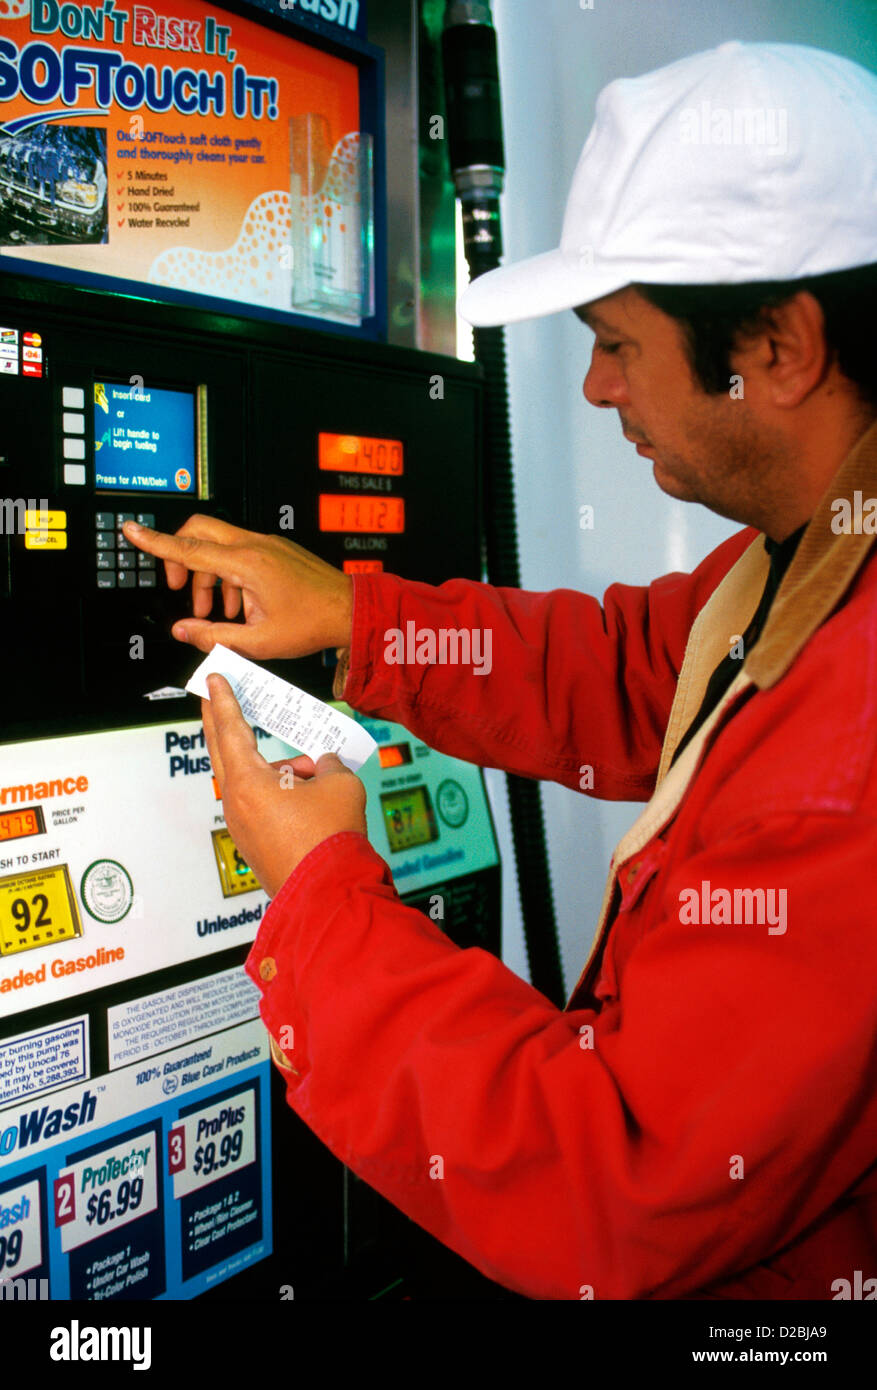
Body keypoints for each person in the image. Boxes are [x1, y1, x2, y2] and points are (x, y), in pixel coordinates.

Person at [123, 41, 877, 1300]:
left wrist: (320, 894)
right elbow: (639, 672)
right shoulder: (818, 556)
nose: (592, 387)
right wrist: (357, 619)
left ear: (778, 348)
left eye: (617, 345)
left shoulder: (843, 766)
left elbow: (615, 1189)